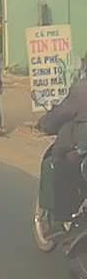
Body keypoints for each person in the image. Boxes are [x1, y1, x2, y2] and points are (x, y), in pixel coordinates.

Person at [37, 55, 87, 225]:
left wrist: (44, 123)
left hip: (81, 149)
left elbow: (60, 114)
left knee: (59, 163)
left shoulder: (81, 90)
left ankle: (63, 217)